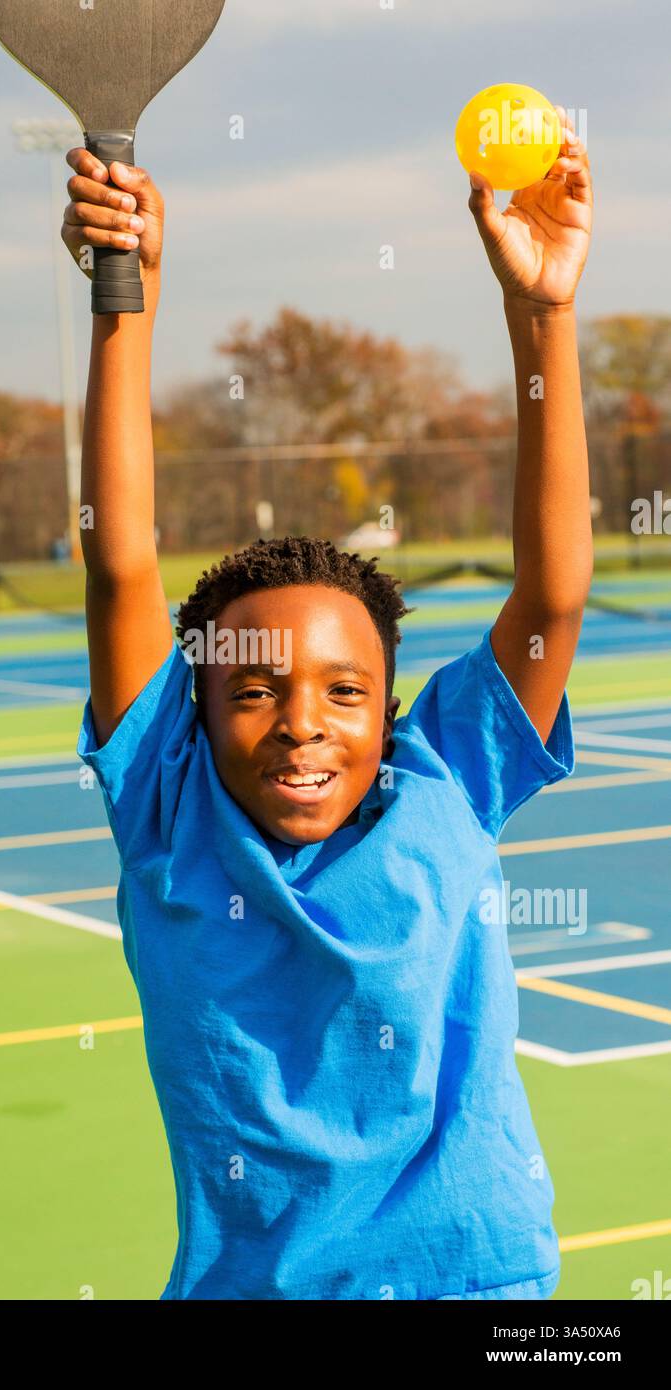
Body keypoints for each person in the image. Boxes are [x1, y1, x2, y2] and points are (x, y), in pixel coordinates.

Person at [60, 114, 593, 1299]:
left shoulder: (449, 777)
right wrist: (127, 302)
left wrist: (545, 310)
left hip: (484, 1288)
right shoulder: (168, 807)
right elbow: (120, 567)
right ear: (188, 714)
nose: (305, 721)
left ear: (391, 705)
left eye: (346, 691)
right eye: (252, 688)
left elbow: (555, 588)